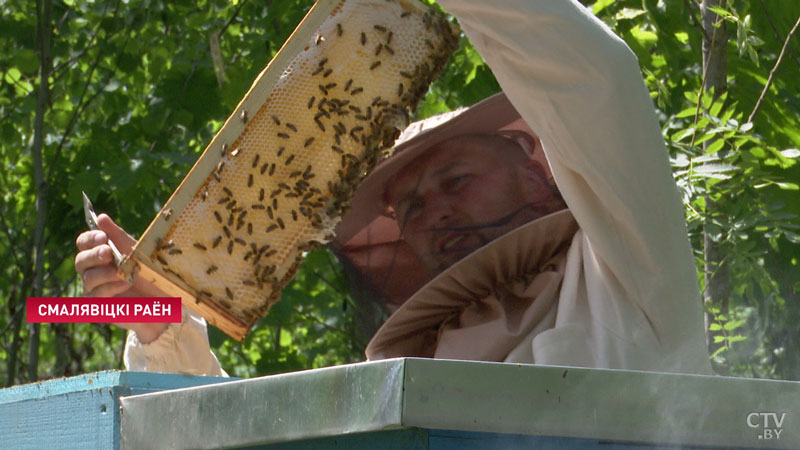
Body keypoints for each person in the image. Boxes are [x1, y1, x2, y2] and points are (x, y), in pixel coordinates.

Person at [75, 0, 712, 376]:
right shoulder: (411, 363)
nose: (434, 211)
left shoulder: (624, 273)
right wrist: (157, 323)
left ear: (534, 165)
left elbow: (595, 78)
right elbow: (248, 439)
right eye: (409, 206)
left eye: (456, 179)